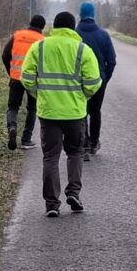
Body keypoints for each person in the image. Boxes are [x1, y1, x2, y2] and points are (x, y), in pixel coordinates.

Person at [20, 11, 102, 217]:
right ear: (73, 28)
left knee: (50, 157)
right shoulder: (83, 49)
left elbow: (26, 77)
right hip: (75, 113)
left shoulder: (39, 47)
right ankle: (73, 193)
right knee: (75, 153)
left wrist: (39, 94)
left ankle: (51, 203)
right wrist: (82, 97)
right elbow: (94, 82)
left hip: (49, 113)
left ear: (54, 27)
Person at [76, 2, 117, 159]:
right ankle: (94, 143)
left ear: (80, 14)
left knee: (81, 112)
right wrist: (105, 78)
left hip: (78, 81)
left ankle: (84, 144)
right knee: (95, 112)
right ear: (93, 15)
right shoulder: (103, 34)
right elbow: (111, 61)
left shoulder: (74, 34)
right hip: (98, 81)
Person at [2, 15, 46, 150]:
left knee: (13, 107)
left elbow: (5, 55)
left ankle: (12, 127)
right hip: (33, 80)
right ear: (42, 27)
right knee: (32, 108)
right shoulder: (43, 40)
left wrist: (11, 72)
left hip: (16, 77)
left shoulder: (18, 35)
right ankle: (26, 139)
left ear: (30, 23)